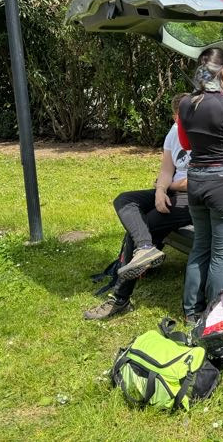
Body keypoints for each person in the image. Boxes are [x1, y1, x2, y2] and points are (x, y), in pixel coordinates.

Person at [83, 93, 192, 320]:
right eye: (182, 116)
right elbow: (166, 170)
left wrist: (166, 186)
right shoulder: (174, 132)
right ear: (175, 117)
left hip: (191, 198)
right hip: (171, 190)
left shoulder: (205, 134)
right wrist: (160, 191)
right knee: (124, 199)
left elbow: (199, 181)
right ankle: (145, 248)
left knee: (145, 224)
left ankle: (120, 299)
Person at [178, 48, 223, 325]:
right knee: (222, 255)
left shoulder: (186, 104)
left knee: (200, 246)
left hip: (196, 180)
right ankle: (215, 316)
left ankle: (191, 312)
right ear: (222, 72)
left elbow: (186, 144)